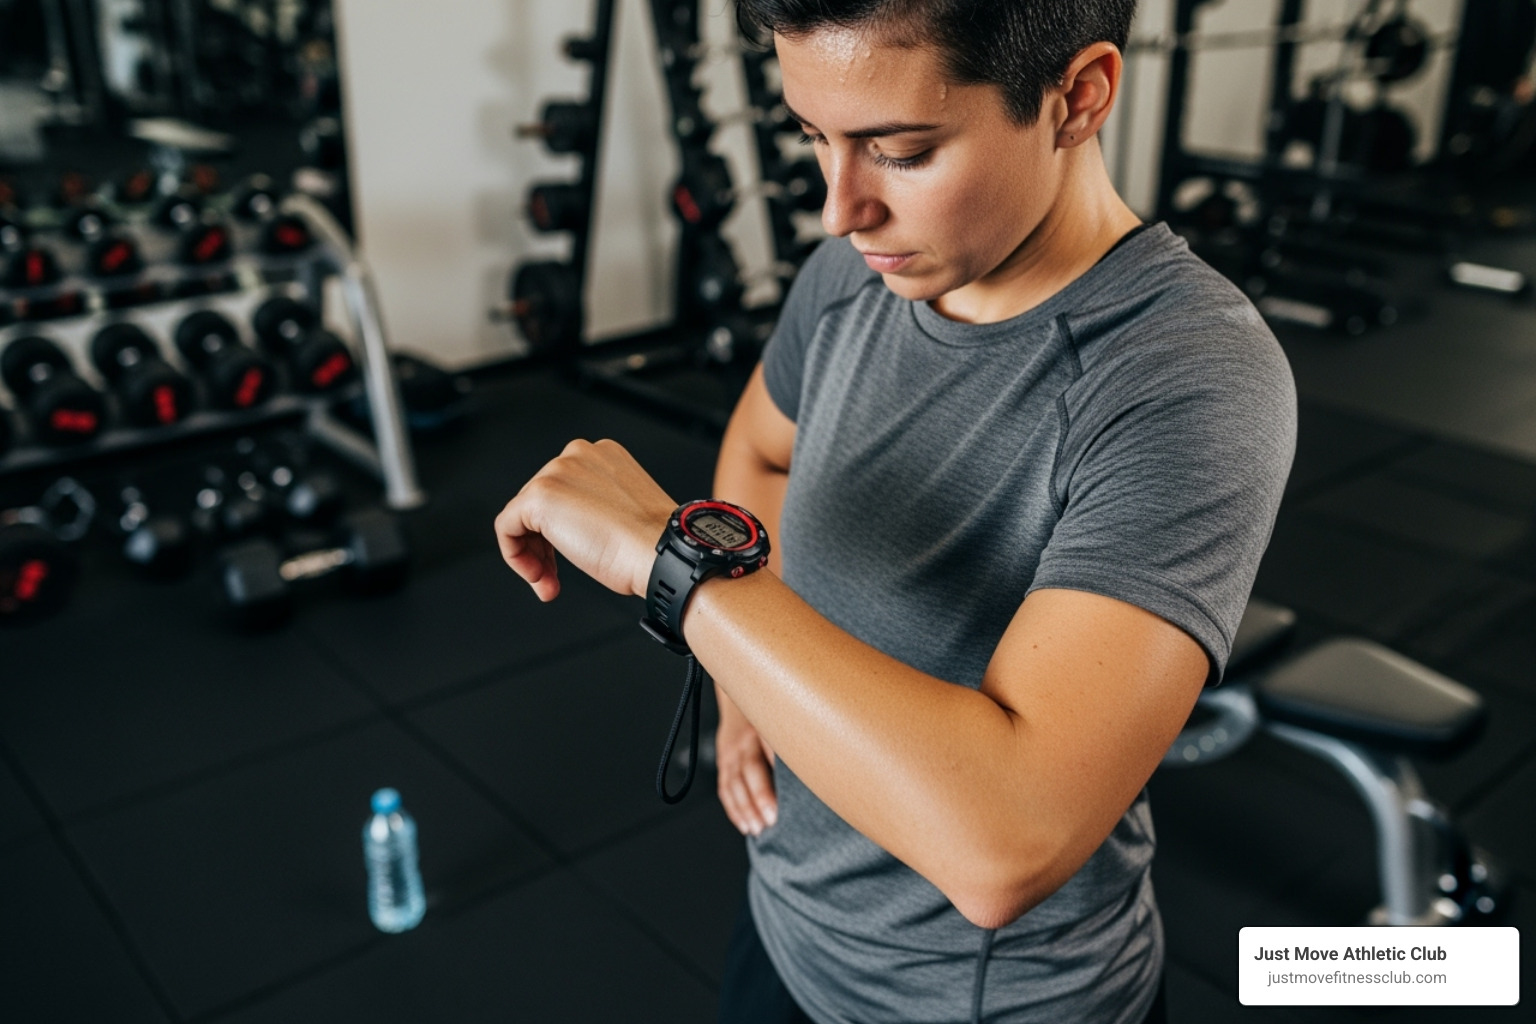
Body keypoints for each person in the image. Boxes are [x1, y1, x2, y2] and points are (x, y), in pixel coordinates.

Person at [495, 0, 1296, 1020]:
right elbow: (759, 451)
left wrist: (680, 572)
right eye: (815, 139)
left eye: (902, 152)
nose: (840, 210)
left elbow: (1006, 843)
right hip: (784, 930)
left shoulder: (1187, 376)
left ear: (1078, 97)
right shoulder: (847, 280)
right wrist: (743, 685)